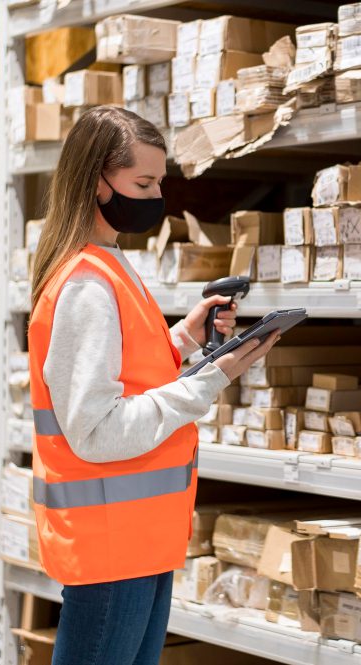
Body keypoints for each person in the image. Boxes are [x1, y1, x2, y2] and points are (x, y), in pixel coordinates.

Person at [27, 106, 280, 665]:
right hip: (110, 546)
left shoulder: (109, 264)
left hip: (137, 541)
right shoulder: (86, 285)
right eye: (142, 184)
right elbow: (95, 430)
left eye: (158, 184)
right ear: (97, 180)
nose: (153, 197)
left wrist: (185, 340)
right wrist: (210, 380)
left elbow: (128, 371)